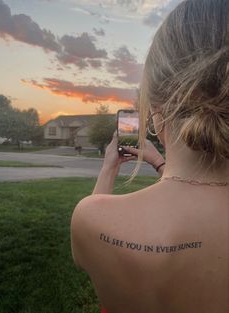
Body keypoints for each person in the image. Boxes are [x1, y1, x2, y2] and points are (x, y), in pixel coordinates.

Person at [71, 0, 229, 312]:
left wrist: (109, 167)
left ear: (156, 112)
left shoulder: (90, 220)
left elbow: (87, 254)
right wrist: (158, 163)